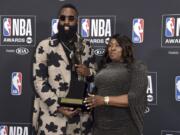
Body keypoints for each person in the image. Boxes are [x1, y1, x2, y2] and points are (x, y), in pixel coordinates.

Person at [32, 3, 96, 135]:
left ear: (77, 21)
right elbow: (39, 81)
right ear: (58, 20)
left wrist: (88, 72)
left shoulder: (87, 46)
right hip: (52, 117)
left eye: (71, 18)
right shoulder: (45, 46)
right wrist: (58, 107)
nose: (66, 22)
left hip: (80, 119)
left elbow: (96, 76)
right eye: (63, 18)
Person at [85, 34, 148, 135]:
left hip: (124, 128)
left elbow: (134, 98)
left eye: (117, 45)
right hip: (100, 128)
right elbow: (97, 92)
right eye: (110, 45)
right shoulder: (103, 66)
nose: (112, 48)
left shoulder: (137, 67)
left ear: (126, 48)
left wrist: (104, 100)